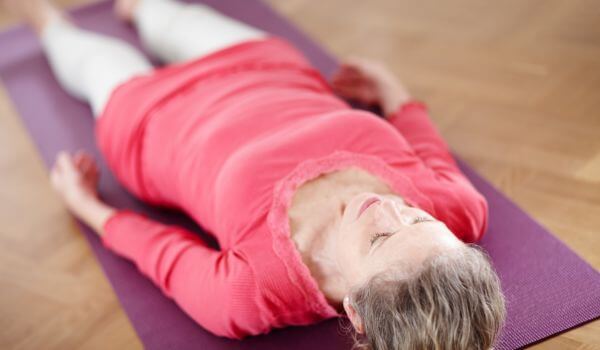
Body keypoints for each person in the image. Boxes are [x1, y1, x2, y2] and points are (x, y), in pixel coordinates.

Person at [4, 0, 507, 348]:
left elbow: (166, 258)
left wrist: (87, 207)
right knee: (168, 17)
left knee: (96, 59)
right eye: (420, 220)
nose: (393, 210)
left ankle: (40, 17)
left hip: (153, 122)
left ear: (355, 308)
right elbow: (432, 152)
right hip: (267, 68)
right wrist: (396, 93)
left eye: (379, 240)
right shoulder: (460, 210)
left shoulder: (252, 294)